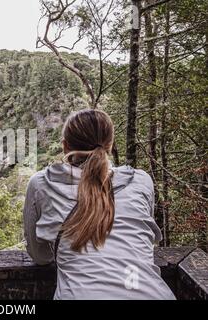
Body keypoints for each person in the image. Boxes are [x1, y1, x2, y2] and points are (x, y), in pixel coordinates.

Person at [23, 109, 176, 300]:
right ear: (110, 144)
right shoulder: (141, 181)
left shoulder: (41, 184)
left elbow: (40, 256)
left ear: (65, 146)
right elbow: (142, 240)